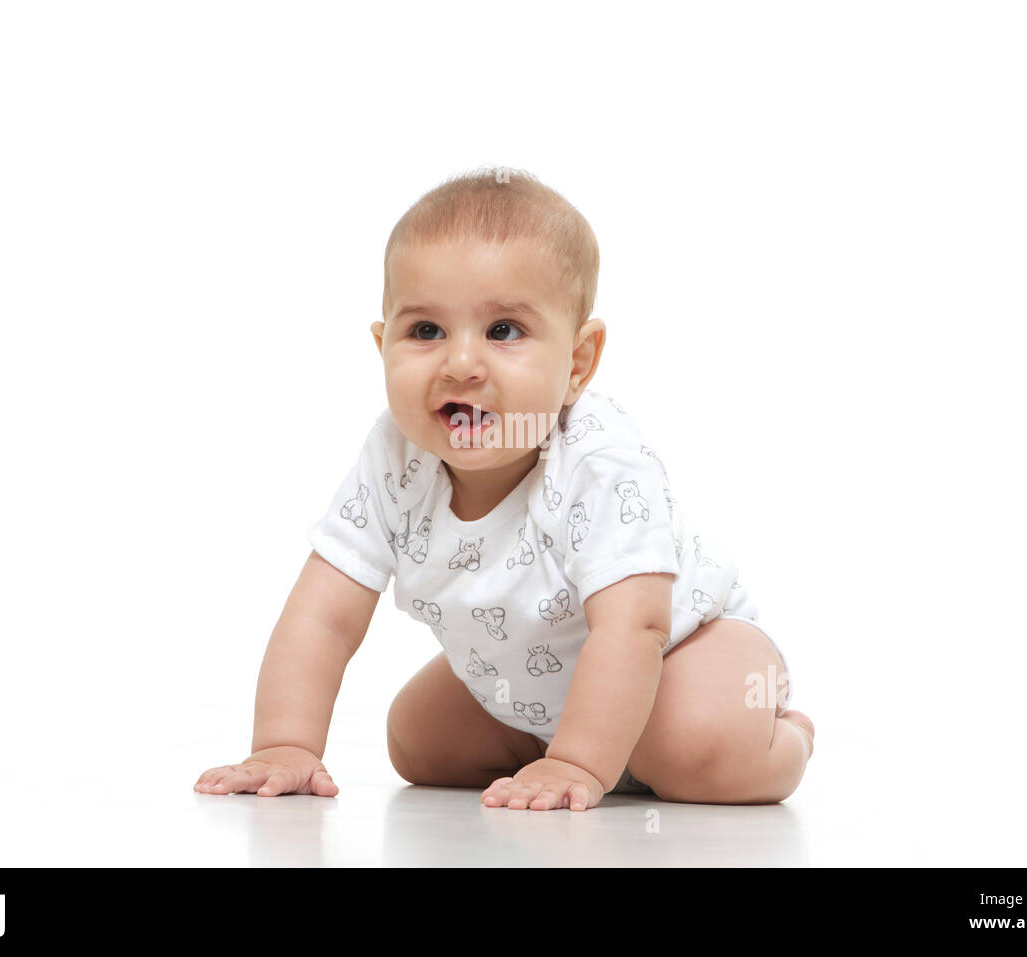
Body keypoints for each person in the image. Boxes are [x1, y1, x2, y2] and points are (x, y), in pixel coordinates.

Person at [194, 167, 814, 811]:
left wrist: (577, 763)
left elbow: (634, 628)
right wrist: (285, 744)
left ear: (577, 362)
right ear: (382, 347)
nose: (461, 363)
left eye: (503, 331)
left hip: (685, 650)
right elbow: (322, 616)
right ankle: (567, 747)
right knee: (419, 742)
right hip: (534, 678)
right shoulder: (396, 456)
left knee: (699, 753)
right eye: (426, 331)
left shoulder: (597, 459)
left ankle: (783, 737)